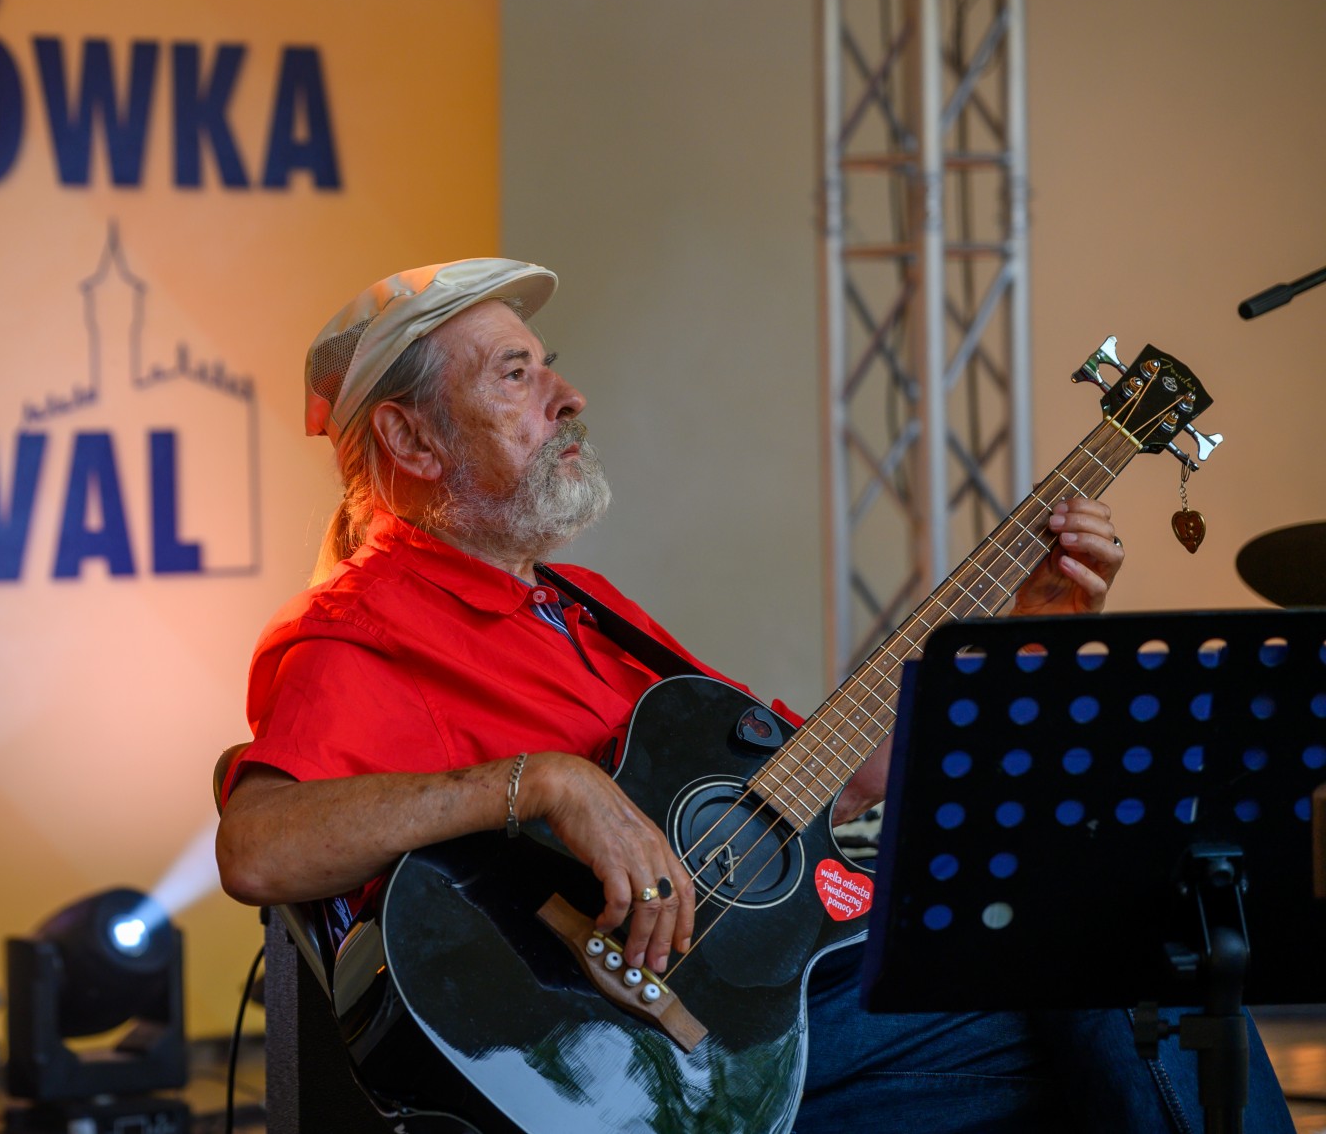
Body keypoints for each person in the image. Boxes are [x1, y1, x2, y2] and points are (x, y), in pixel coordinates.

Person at [215, 258, 1293, 1132]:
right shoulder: (364, 622)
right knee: (1123, 971)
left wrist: (1024, 631)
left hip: (774, 1022)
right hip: (634, 1050)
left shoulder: (582, 606)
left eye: (551, 368)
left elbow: (823, 784)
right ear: (410, 439)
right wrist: (543, 784)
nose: (568, 396)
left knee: (1113, 1028)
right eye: (513, 375)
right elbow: (260, 846)